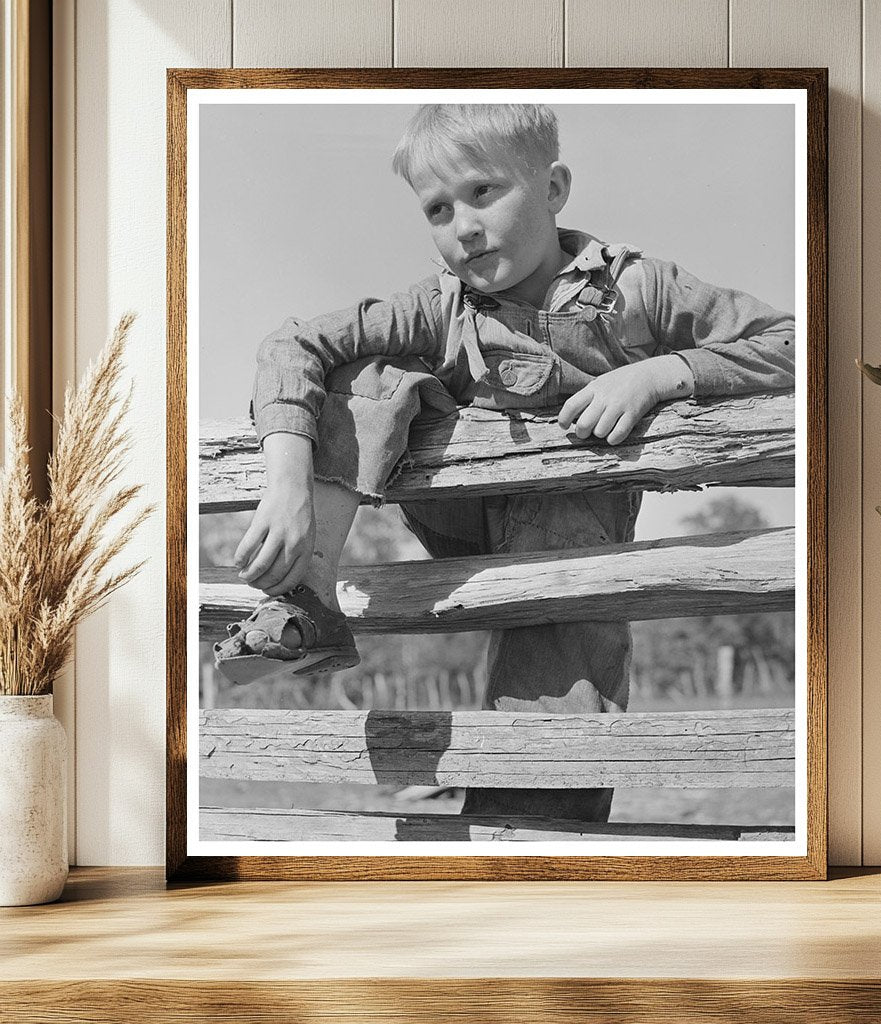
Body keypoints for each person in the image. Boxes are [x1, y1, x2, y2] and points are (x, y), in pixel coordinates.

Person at [213, 103, 795, 822]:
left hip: (571, 538)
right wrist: (287, 483)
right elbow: (293, 344)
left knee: (549, 737)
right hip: (457, 516)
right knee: (369, 370)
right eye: (437, 209)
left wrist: (659, 373)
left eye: (483, 192)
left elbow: (791, 341)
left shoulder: (633, 290)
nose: (462, 226)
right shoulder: (441, 306)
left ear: (553, 189)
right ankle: (308, 595)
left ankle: (530, 850)